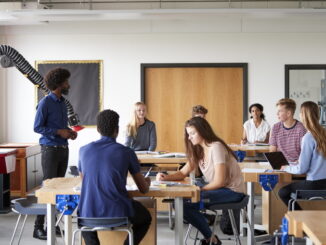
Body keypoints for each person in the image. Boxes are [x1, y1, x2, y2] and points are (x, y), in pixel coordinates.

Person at [156, 117, 245, 245]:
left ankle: (211, 239)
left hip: (232, 192)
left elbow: (219, 181)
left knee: (185, 203)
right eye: (188, 134)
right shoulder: (198, 149)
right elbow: (182, 172)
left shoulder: (216, 147)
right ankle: (211, 238)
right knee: (180, 202)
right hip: (217, 189)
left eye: (192, 133)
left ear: (203, 131)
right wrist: (166, 177)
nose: (189, 137)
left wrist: (198, 190)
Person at [78, 109, 152, 245]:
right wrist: (147, 181)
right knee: (146, 217)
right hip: (119, 212)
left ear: (98, 129)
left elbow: (85, 182)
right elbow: (143, 190)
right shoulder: (127, 152)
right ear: (117, 130)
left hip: (87, 214)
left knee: (84, 218)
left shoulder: (83, 150)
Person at [33, 68, 78, 240]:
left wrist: (69, 132)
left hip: (63, 149)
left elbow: (60, 127)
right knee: (49, 188)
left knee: (59, 189)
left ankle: (52, 226)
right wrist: (59, 132)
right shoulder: (45, 103)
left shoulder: (62, 103)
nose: (68, 84)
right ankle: (38, 227)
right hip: (50, 150)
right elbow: (37, 127)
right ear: (59, 84)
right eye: (66, 81)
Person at [278, 101, 326, 208]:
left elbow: (302, 169)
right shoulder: (324, 133)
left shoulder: (308, 137)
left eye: (300, 112)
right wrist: (296, 162)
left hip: (314, 184)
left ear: (303, 115)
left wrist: (286, 167)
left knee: (283, 192)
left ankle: (300, 219)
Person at [269, 98, 307, 162]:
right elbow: (273, 150)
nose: (277, 113)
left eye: (280, 111)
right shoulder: (275, 127)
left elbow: (304, 154)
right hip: (280, 164)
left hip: (296, 166)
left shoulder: (301, 129)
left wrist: (292, 167)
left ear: (288, 113)